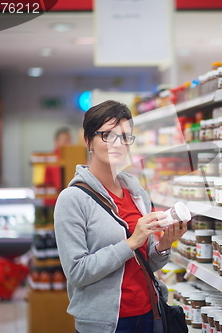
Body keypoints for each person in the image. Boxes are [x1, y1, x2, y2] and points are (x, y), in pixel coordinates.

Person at [54, 100, 187, 333]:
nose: (118, 144)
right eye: (107, 135)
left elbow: (146, 262)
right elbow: (77, 272)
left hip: (149, 313)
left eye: (125, 137)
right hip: (106, 324)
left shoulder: (137, 193)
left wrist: (164, 245)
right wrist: (130, 243)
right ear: (88, 141)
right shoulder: (72, 199)